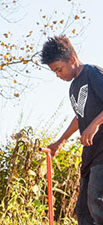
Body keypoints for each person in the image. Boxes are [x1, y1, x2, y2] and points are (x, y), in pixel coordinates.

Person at [41, 35, 103, 224]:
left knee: (97, 202)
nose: (58, 75)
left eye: (59, 69)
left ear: (72, 60)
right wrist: (61, 141)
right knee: (83, 211)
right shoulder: (74, 87)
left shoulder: (93, 73)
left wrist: (95, 124)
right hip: (90, 155)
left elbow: (91, 120)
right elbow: (80, 116)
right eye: (54, 72)